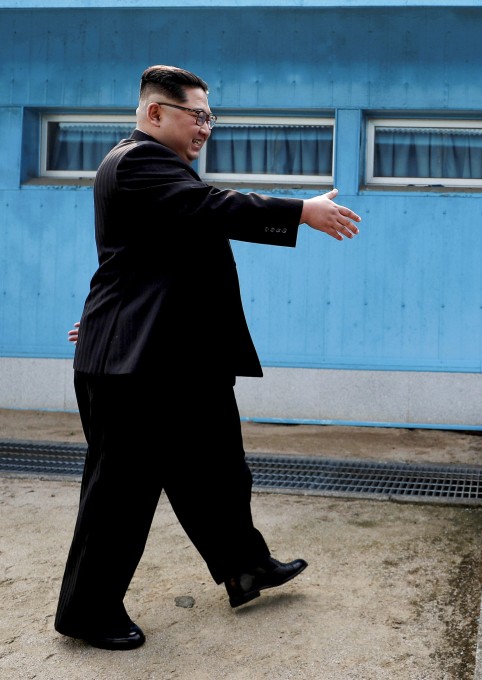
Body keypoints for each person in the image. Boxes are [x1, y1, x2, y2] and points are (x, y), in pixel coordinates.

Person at [55, 65, 361, 651]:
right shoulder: (138, 160)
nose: (205, 129)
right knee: (120, 494)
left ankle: (246, 567)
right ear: (155, 114)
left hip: (172, 357)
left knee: (218, 472)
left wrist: (108, 319)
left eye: (209, 117)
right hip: (136, 370)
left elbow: (147, 265)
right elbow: (215, 206)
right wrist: (300, 210)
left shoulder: (163, 171)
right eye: (196, 115)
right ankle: (87, 611)